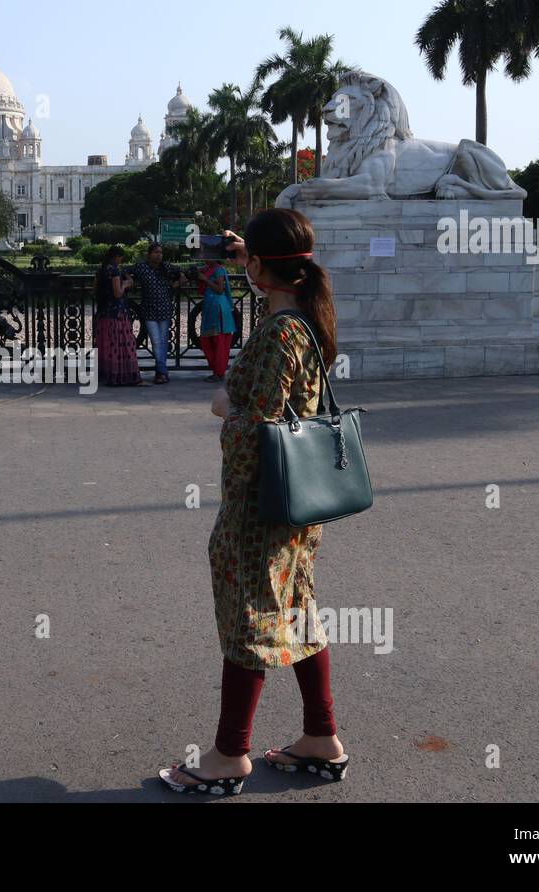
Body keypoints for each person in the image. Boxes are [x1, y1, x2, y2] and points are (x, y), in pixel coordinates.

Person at [159, 208, 347, 797]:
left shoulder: (276, 335)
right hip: (300, 501)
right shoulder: (306, 322)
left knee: (248, 618)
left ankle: (227, 755)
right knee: (295, 610)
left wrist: (223, 406)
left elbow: (256, 427)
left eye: (250, 261)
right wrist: (253, 261)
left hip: (259, 504)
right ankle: (321, 737)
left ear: (266, 268)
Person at [93, 246, 146, 387]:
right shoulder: (114, 270)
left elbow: (95, 290)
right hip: (117, 314)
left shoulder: (101, 270)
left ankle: (108, 374)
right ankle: (123, 375)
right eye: (121, 258)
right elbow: (118, 293)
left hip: (103, 313)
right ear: (117, 257)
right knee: (123, 344)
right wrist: (126, 284)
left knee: (108, 346)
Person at [129, 243, 180, 384]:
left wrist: (176, 284)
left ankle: (160, 372)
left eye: (161, 252)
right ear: (149, 254)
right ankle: (162, 372)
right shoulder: (142, 268)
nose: (159, 255)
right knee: (156, 342)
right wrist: (131, 280)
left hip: (164, 309)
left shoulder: (166, 267)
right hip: (149, 310)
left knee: (163, 342)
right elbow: (125, 270)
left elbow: (182, 273)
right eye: (156, 252)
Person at [197, 257, 235, 381]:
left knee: (218, 342)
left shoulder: (218, 270)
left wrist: (205, 279)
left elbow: (220, 289)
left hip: (217, 308)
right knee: (209, 340)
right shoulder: (209, 268)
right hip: (211, 307)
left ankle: (218, 372)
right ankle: (218, 371)